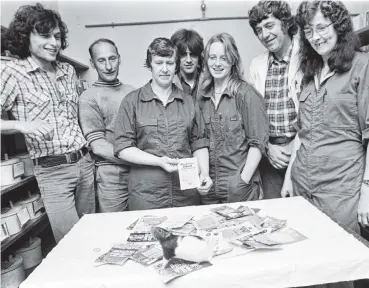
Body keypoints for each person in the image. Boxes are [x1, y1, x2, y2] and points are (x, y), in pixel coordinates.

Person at [1, 3, 95, 242]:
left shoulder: (68, 70)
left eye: (57, 36)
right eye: (45, 35)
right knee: (71, 244)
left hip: (84, 163)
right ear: (25, 37)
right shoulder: (13, 72)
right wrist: (20, 125)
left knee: (91, 234)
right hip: (52, 170)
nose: (54, 43)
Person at [282, 0, 369, 246]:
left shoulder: (362, 67)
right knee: (307, 265)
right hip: (302, 187)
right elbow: (302, 133)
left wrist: (367, 191)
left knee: (341, 266)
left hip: (341, 191)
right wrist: (289, 177)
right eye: (308, 31)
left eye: (321, 27)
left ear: (339, 26)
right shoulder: (309, 75)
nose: (315, 37)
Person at [113, 37, 212, 210]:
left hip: (186, 194)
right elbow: (123, 148)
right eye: (159, 63)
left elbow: (199, 143)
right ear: (150, 65)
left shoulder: (189, 102)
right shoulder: (131, 101)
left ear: (176, 66)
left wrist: (204, 174)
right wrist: (158, 161)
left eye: (170, 63)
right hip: (146, 195)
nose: (165, 69)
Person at [197, 33, 269, 204]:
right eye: (212, 57)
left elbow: (258, 143)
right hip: (209, 190)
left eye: (224, 58)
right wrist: (203, 176)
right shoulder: (201, 97)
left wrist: (242, 180)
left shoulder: (247, 95)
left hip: (239, 189)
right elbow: (199, 142)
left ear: (233, 60)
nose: (217, 63)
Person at [248, 0, 303, 199]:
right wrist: (268, 147)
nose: (264, 35)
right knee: (275, 216)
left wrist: (293, 145)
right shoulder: (257, 64)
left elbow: (312, 113)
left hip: (302, 148)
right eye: (259, 30)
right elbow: (253, 116)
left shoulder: (306, 57)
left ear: (286, 23)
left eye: (269, 26)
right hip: (270, 155)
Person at [79, 39, 135, 212]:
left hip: (139, 172)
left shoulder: (133, 92)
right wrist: (139, 160)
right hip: (112, 175)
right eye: (101, 61)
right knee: (115, 229)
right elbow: (98, 146)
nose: (109, 66)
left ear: (119, 58)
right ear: (92, 63)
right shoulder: (88, 97)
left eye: (112, 59)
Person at [171, 29, 204, 99]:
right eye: (183, 55)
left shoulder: (209, 81)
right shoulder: (169, 82)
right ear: (175, 57)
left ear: (199, 56)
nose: (188, 60)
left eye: (193, 55)